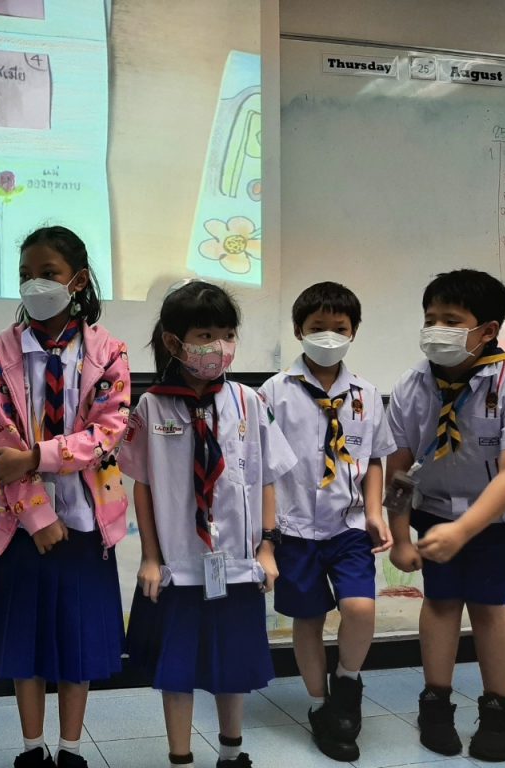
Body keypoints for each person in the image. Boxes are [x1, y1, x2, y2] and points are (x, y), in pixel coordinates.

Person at [0, 226, 131, 768]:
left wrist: (38, 457)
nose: (34, 284)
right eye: (25, 274)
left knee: (77, 644)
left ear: (77, 280)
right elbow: (3, 443)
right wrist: (38, 516)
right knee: (27, 645)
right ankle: (32, 749)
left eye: (48, 273)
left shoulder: (109, 352)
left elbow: (107, 433)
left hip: (87, 520)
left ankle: (70, 750)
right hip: (20, 524)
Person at [120, 280, 296, 768]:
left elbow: (266, 477)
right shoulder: (151, 406)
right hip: (178, 565)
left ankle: (231, 753)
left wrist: (267, 547)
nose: (218, 346)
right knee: (176, 670)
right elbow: (142, 485)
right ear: (174, 342)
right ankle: (180, 757)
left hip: (236, 564)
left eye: (226, 333)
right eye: (204, 335)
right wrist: (150, 558)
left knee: (231, 665)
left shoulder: (248, 401)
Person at [386, 269, 505, 762]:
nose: (437, 330)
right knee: (440, 602)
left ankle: (499, 709)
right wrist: (400, 537)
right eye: (430, 318)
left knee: (488, 604)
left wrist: (464, 529)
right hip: (434, 511)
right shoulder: (412, 385)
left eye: (452, 321)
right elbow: (398, 471)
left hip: (501, 519)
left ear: (488, 330)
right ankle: (435, 703)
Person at [259, 281, 396, 762]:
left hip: (349, 525)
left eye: (339, 327)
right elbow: (263, 466)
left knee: (359, 608)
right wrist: (266, 536)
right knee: (308, 619)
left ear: (354, 331)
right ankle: (320, 705)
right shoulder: (273, 392)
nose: (329, 336)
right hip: (294, 529)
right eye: (318, 327)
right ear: (299, 330)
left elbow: (375, 459)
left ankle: (348, 683)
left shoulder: (366, 394)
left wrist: (375, 513)